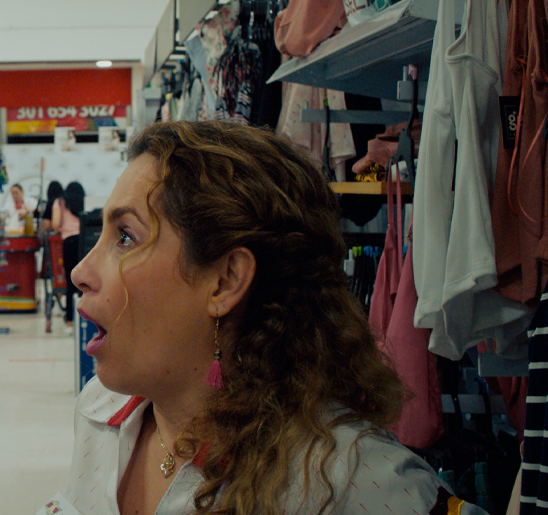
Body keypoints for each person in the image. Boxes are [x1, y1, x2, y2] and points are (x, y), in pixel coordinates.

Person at [52, 121, 480, 514]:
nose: (80, 272)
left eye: (126, 237)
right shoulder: (100, 412)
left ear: (225, 280)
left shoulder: (352, 481)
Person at [53, 181, 84, 332]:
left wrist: (63, 228)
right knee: (84, 282)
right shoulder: (82, 201)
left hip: (69, 242)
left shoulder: (60, 202)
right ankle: (85, 320)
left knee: (70, 282)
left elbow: (55, 224)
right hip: (84, 242)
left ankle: (70, 322)